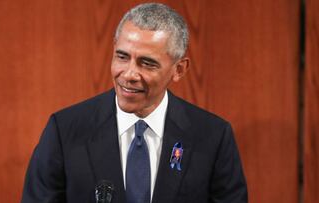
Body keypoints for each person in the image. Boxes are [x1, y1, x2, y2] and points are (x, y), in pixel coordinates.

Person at [21, 3, 248, 203]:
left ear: (178, 70)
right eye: (122, 56)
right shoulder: (64, 130)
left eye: (147, 63)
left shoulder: (213, 137)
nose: (129, 74)